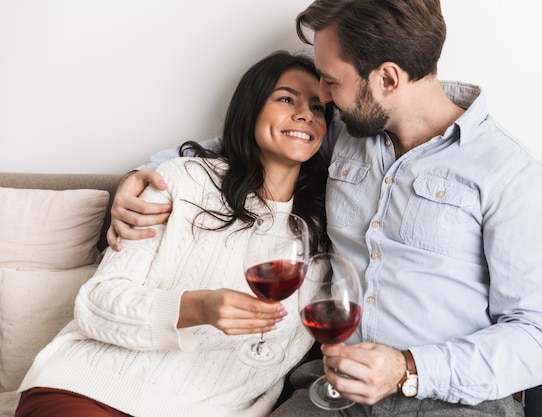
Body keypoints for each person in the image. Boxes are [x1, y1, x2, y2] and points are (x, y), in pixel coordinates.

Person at [107, 1, 542, 416]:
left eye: (331, 81)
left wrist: (407, 367)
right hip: (329, 391)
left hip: (450, 399)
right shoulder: (347, 133)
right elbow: (249, 143)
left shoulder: (510, 175)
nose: (322, 98)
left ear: (387, 78)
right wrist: (144, 176)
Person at [14, 50, 335, 417]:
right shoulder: (182, 180)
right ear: (250, 109)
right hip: (90, 390)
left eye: (318, 107)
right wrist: (196, 307)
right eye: (286, 99)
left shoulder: (325, 228)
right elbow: (95, 305)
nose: (305, 115)